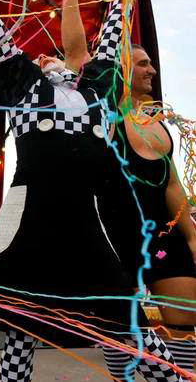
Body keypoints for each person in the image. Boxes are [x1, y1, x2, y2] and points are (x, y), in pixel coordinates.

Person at [0, 0, 183, 382]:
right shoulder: (27, 89)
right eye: (42, 59)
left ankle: (172, 378)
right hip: (29, 224)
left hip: (82, 225)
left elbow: (111, 36)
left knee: (125, 317)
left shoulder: (96, 91)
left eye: (57, 58)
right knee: (21, 326)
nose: (49, 60)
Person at [97, 40, 196, 375]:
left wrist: (191, 237)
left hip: (164, 239)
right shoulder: (104, 118)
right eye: (142, 64)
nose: (151, 70)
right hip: (118, 238)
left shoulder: (157, 122)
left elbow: (172, 184)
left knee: (184, 318)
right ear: (121, 70)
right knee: (119, 326)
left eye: (150, 63)